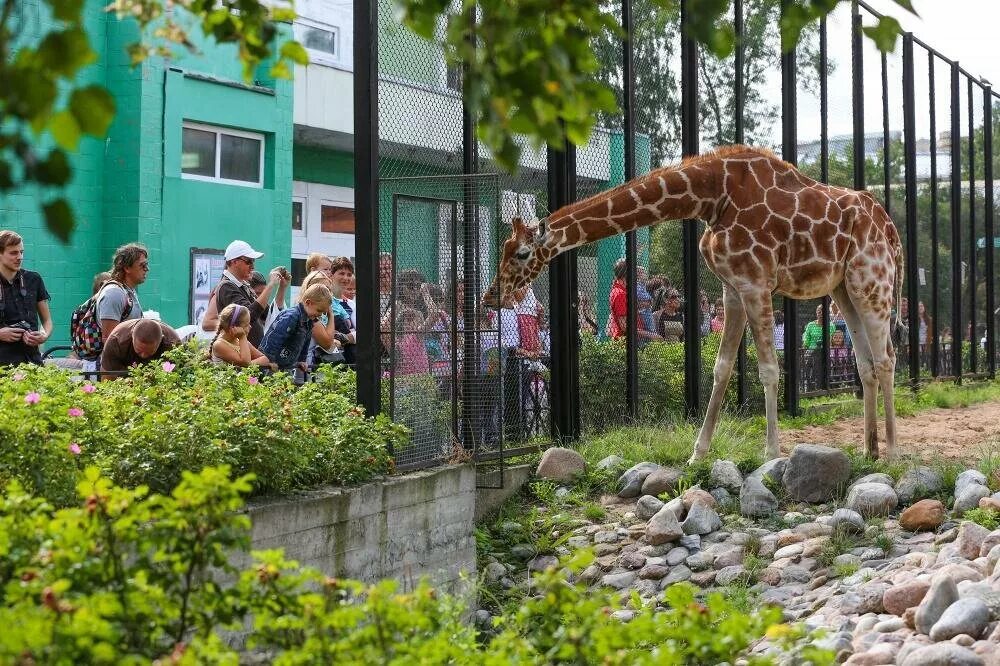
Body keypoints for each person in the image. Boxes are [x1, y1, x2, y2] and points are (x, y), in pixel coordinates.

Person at [0, 230, 53, 367]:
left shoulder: (34, 279)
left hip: (32, 362)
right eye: (13, 253)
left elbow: (47, 321)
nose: (19, 257)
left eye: (21, 252)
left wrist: (43, 335)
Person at [215, 240, 280, 346]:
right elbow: (249, 316)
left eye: (253, 261)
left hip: (251, 353)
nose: (253, 266)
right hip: (241, 355)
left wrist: (281, 287)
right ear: (234, 262)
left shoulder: (243, 285)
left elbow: (269, 314)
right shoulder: (226, 287)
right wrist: (271, 285)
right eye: (249, 261)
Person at [260, 283, 333, 372]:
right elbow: (274, 337)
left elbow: (306, 342)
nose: (320, 314)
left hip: (287, 365)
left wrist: (302, 360)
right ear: (308, 302)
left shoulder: (309, 321)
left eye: (323, 313)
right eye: (319, 310)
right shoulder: (292, 316)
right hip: (272, 364)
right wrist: (269, 359)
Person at [96, 243, 147, 344]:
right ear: (127, 268)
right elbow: (109, 340)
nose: (146, 269)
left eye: (146, 264)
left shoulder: (128, 291)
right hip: (108, 359)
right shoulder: (114, 293)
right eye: (142, 265)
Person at [99, 319, 180, 376]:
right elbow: (108, 375)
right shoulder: (116, 340)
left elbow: (179, 375)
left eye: (150, 352)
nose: (143, 355)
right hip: (124, 377)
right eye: (138, 351)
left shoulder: (173, 344)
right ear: (132, 337)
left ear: (161, 341)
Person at [209, 304, 274, 368]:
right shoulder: (219, 345)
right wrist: (242, 337)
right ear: (233, 328)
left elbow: (265, 359)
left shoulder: (239, 341)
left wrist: (248, 365)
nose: (250, 327)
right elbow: (245, 363)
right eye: (246, 325)